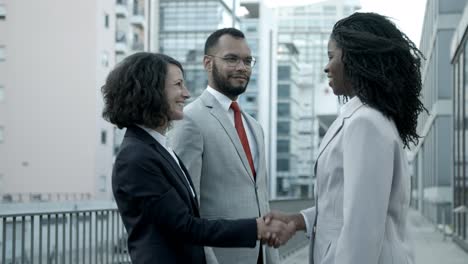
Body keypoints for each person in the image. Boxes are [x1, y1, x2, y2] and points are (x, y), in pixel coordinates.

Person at [101, 52, 294, 264]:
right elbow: (184, 226)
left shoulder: (158, 148)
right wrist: (256, 228)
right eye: (178, 84)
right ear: (150, 90)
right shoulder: (136, 158)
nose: (186, 93)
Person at [265, 12, 425, 264]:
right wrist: (299, 220)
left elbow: (362, 229)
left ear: (354, 58)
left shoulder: (365, 123)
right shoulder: (364, 116)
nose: (326, 67)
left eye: (331, 56)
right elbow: (344, 205)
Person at [169, 28, 280, 264]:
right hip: (220, 257)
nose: (242, 67)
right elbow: (188, 206)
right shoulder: (190, 120)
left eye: (248, 60)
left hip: (263, 254)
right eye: (232, 59)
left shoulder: (254, 126)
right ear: (208, 63)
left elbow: (259, 195)